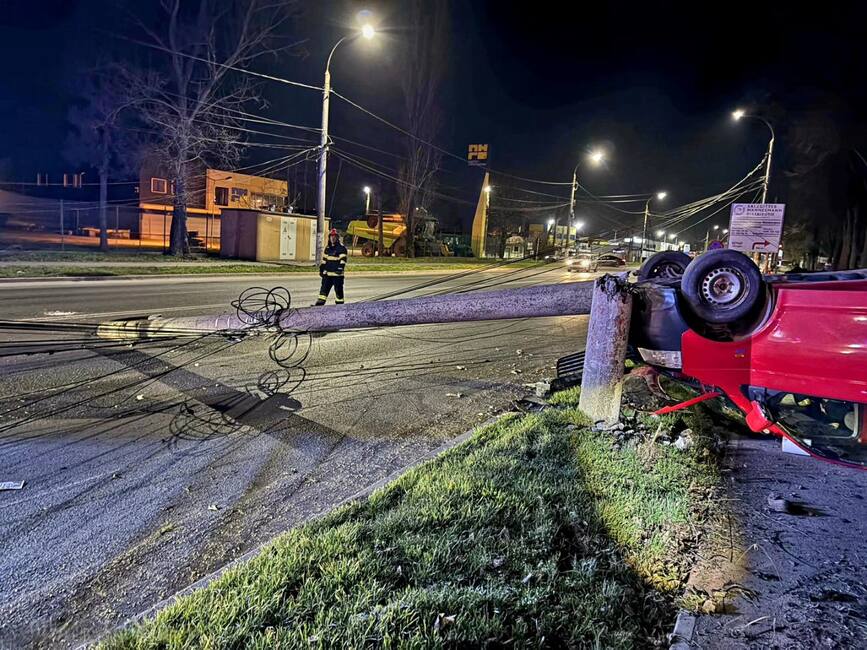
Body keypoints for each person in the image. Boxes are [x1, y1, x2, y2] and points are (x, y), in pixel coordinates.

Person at [315, 228, 347, 305]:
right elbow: (324, 260)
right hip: (327, 275)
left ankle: (340, 307)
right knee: (323, 292)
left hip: (337, 276)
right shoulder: (328, 248)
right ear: (329, 237)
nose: (333, 238)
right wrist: (322, 268)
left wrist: (340, 268)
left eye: (334, 236)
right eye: (331, 236)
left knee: (339, 293)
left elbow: (343, 260)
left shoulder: (341, 248)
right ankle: (319, 306)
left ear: (337, 238)